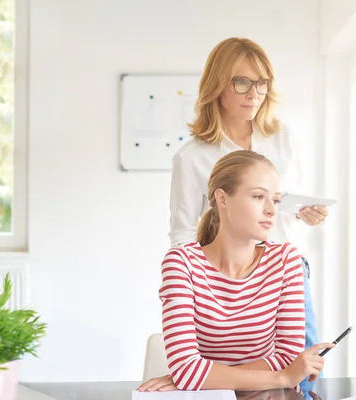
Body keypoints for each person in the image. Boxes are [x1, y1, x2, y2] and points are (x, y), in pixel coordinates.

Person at [168, 37, 329, 394]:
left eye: (261, 83)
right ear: (217, 85)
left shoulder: (283, 138)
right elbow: (182, 232)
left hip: (284, 269)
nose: (253, 93)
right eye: (241, 82)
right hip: (222, 281)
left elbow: (282, 204)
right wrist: (204, 280)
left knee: (303, 371)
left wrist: (303, 213)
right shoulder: (192, 157)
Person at [138, 150, 333, 393]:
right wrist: (281, 378)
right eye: (258, 196)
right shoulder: (181, 263)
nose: (271, 210)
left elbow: (287, 358)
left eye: (276, 199)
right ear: (222, 199)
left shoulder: (286, 261)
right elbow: (187, 370)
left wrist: (203, 376)